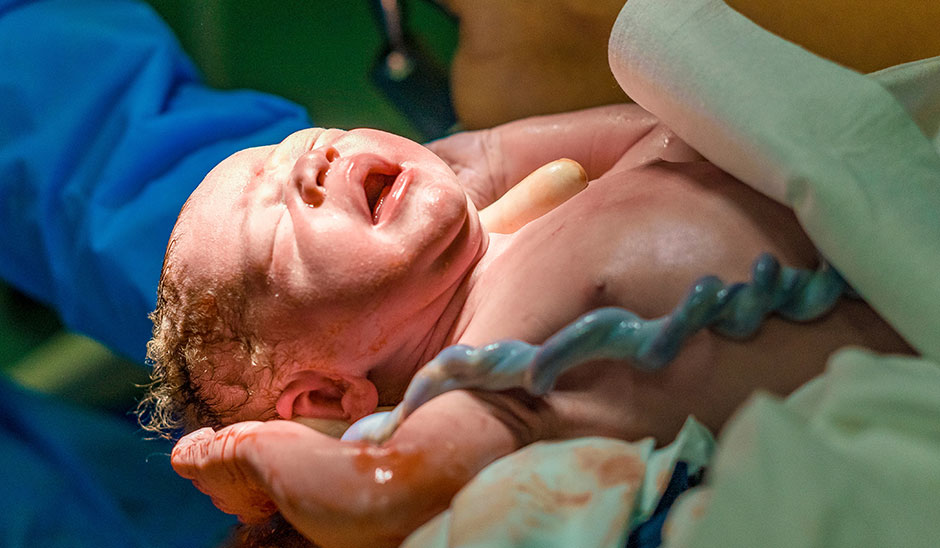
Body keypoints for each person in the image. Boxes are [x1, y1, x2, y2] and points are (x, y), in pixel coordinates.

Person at [152, 104, 910, 548]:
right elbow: (377, 492)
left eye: (301, 144)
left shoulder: (545, 199)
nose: (309, 161)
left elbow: (664, 119)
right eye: (277, 225)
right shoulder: (480, 378)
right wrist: (258, 453)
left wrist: (481, 160)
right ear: (325, 399)